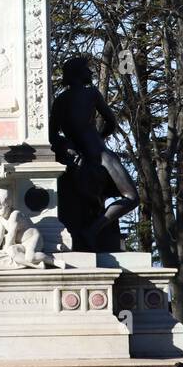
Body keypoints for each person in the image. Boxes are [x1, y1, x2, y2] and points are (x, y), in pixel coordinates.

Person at [49, 55, 139, 251]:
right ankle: (93, 230)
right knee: (132, 197)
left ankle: (94, 230)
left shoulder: (60, 101)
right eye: (87, 69)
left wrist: (68, 146)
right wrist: (100, 137)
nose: (90, 72)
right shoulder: (91, 94)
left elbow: (52, 133)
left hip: (78, 155)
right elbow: (111, 121)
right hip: (100, 153)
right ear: (78, 74)